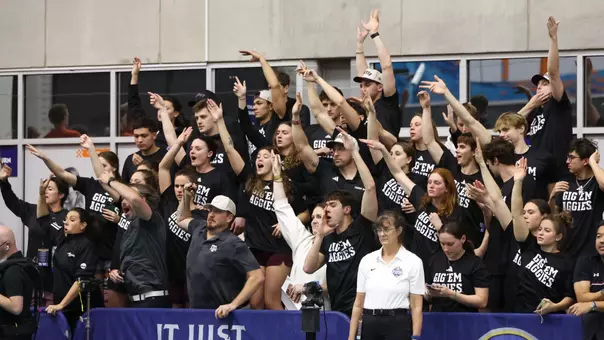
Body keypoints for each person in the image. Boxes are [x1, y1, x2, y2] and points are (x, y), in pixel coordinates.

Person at [212, 98, 306, 310]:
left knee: (272, 301)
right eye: (258, 157)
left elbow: (306, 212)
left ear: (276, 160)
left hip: (279, 249)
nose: (260, 159)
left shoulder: (287, 186)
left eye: (266, 156)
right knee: (256, 303)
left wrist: (287, 224)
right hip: (254, 247)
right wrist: (219, 122)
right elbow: (229, 149)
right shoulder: (249, 179)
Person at [304, 128, 379, 316]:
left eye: (332, 205)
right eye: (326, 205)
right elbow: (308, 267)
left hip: (363, 307)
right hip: (337, 309)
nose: (326, 209)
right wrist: (320, 236)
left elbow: (369, 187)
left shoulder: (361, 227)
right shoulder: (328, 238)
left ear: (346, 209)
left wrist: (354, 150)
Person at [364, 136, 461, 271]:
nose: (431, 186)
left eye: (437, 183)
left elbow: (458, 247)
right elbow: (397, 173)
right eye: (429, 182)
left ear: (447, 188)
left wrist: (440, 227)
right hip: (414, 265)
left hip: (437, 267)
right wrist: (383, 150)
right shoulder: (421, 199)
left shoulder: (455, 213)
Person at [177, 191, 264, 317]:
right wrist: (186, 196)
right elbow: (181, 219)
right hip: (197, 313)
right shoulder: (199, 227)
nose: (211, 215)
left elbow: (257, 277)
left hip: (222, 316)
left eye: (217, 211)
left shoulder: (234, 244)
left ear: (229, 218)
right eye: (210, 210)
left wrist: (233, 305)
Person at [98, 170, 169, 308]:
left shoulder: (151, 219)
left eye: (127, 198)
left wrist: (111, 181)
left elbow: (135, 199)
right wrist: (119, 272)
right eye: (123, 199)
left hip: (153, 299)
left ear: (144, 201)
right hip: (134, 299)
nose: (124, 202)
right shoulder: (131, 228)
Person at [0, 164, 69, 306]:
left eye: (50, 189)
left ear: (61, 195)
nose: (46, 192)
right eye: (45, 189)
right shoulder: (33, 211)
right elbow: (12, 202)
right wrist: (4, 182)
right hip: (32, 271)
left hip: (54, 276)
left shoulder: (68, 218)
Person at [348, 211, 424, 340]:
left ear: (399, 230)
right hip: (370, 322)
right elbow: (358, 303)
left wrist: (416, 336)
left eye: (387, 230)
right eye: (379, 230)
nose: (382, 234)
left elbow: (416, 305)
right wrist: (351, 337)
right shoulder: (367, 260)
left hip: (397, 323)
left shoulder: (413, 261)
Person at [271, 152, 328, 307]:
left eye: (321, 217)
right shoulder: (303, 239)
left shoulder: (337, 245)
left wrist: (305, 289)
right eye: (314, 217)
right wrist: (277, 177)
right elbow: (282, 208)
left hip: (325, 316)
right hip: (293, 312)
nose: (316, 220)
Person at [518, 16, 573, 170]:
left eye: (545, 83)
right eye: (538, 85)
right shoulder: (534, 110)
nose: (539, 87)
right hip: (536, 170)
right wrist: (530, 105)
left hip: (557, 170)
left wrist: (553, 39)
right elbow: (509, 126)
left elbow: (553, 72)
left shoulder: (559, 104)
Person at [42, 208, 103, 332]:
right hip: (60, 304)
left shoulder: (86, 245)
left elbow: (81, 280)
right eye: (66, 219)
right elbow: (42, 219)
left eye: (72, 219)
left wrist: (61, 305)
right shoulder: (61, 241)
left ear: (83, 225)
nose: (66, 222)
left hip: (80, 308)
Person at [514, 211, 575, 315]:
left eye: (547, 230)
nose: (540, 233)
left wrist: (555, 307)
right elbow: (517, 215)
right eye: (540, 229)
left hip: (548, 317)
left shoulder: (567, 263)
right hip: (520, 313)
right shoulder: (530, 247)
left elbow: (570, 296)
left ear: (558, 237)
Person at [551, 139, 604, 258]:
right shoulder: (566, 181)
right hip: (565, 248)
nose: (567, 161)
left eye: (571, 158)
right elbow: (554, 216)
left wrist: (593, 162)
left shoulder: (596, 182)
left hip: (589, 250)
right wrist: (552, 197)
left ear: (585, 161)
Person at [355, 9, 400, 136]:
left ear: (380, 87)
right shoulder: (363, 107)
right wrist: (359, 44)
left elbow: (386, 66)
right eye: (361, 85)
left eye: (368, 85)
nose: (363, 88)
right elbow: (362, 72)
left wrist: (374, 34)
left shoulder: (388, 102)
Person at [425, 221, 489, 312]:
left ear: (463, 239)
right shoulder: (435, 260)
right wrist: (429, 293)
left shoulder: (475, 263)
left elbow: (482, 301)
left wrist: (451, 294)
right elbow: (428, 297)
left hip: (464, 318)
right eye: (442, 244)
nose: (446, 249)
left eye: (450, 244)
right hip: (438, 317)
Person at [128, 57, 187, 149]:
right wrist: (134, 75)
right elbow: (134, 106)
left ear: (176, 113)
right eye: (159, 108)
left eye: (166, 108)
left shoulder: (183, 133)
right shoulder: (153, 128)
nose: (161, 111)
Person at [0, 225, 38, 340]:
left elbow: (16, 307)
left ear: (7, 245)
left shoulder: (13, 271)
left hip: (12, 333)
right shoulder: (23, 264)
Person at [568, 223, 604, 339]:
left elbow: (587, 302)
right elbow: (582, 298)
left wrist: (593, 305)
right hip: (592, 330)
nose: (601, 241)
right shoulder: (586, 262)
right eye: (598, 236)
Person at [121, 117, 167, 184]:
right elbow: (125, 186)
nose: (140, 140)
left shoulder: (165, 156)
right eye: (136, 136)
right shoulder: (130, 159)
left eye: (144, 136)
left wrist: (143, 166)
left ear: (154, 135)